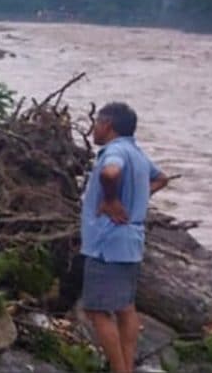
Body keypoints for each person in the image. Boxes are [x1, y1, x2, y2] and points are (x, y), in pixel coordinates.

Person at [81, 102, 170, 373]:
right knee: (125, 307)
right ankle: (127, 367)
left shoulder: (116, 151)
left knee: (96, 310)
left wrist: (111, 200)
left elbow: (110, 172)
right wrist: (137, 200)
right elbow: (162, 178)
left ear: (108, 125)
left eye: (97, 122)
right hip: (131, 242)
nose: (94, 128)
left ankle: (119, 370)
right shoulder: (138, 153)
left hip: (107, 244)